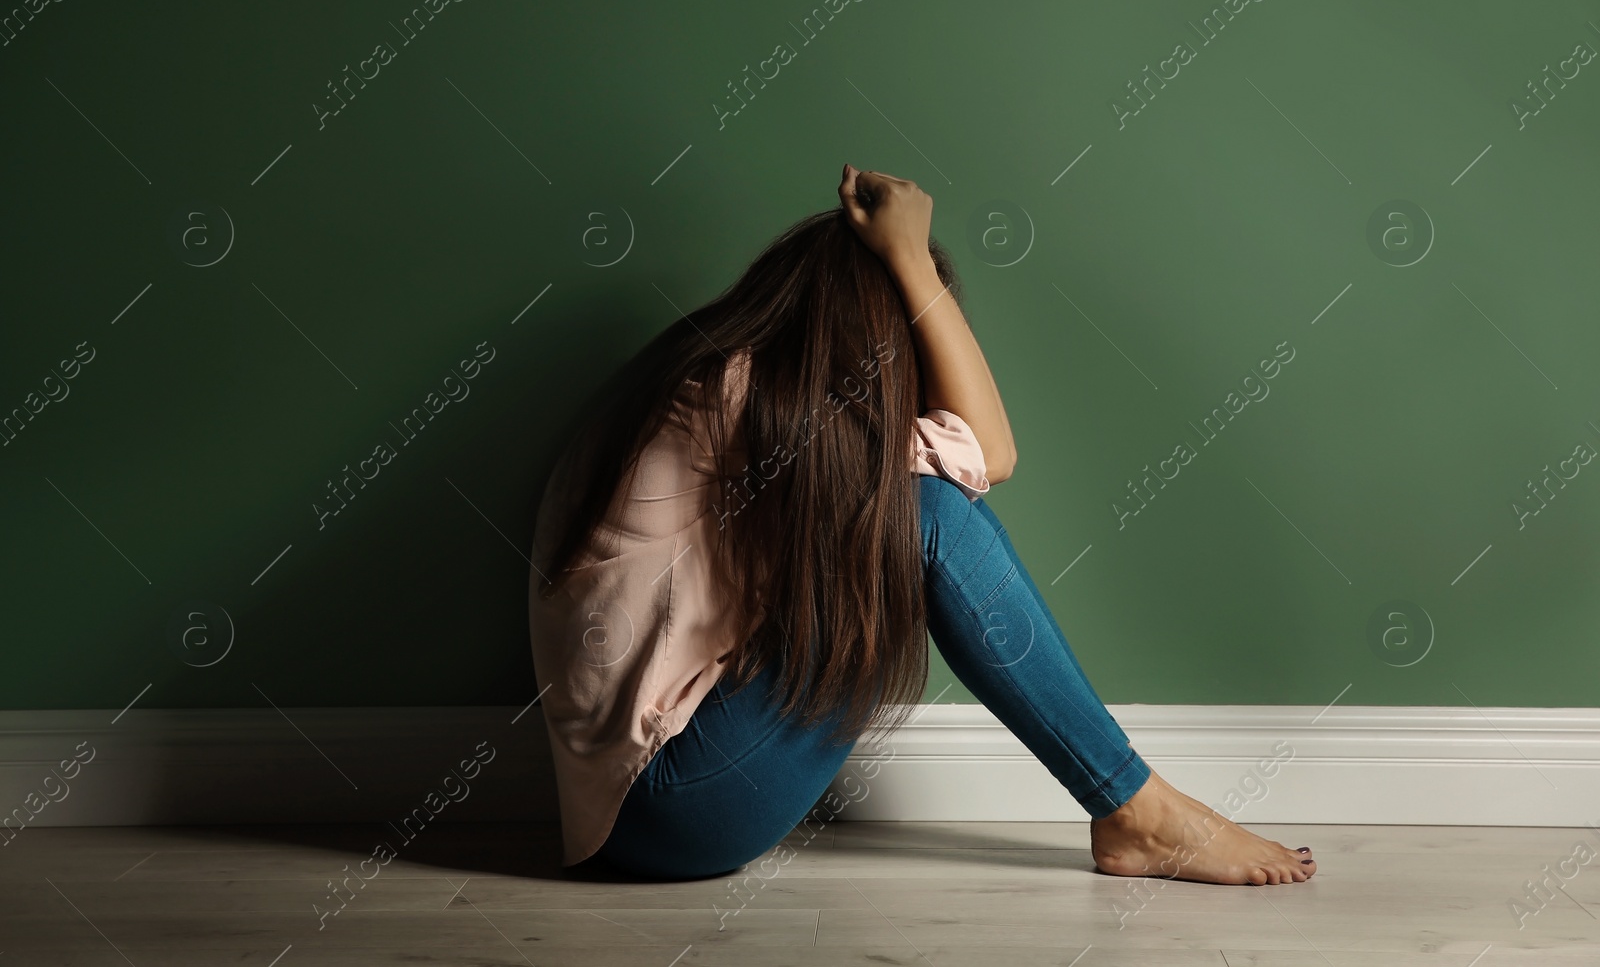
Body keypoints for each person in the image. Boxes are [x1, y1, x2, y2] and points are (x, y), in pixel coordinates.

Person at [527, 164, 1316, 886]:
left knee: (915, 509)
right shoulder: (740, 397)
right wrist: (908, 259)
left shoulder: (715, 379)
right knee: (928, 514)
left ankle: (1131, 806)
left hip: (660, 796)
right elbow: (992, 451)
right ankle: (1134, 809)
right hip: (668, 806)